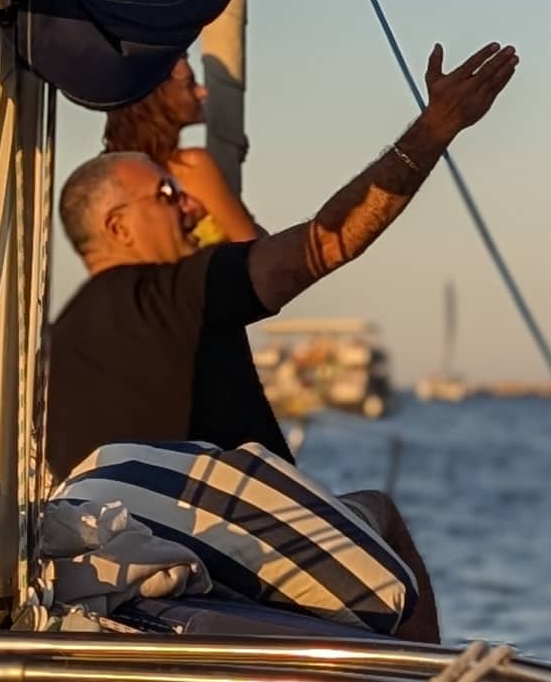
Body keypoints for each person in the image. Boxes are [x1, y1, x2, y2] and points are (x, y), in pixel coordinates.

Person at [48, 41, 518, 642]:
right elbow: (327, 244)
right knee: (379, 512)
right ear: (117, 226)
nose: (192, 205)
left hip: (113, 589)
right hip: (212, 560)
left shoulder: (55, 344)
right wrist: (435, 127)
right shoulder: (172, 291)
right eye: (168, 196)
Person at [103, 56, 261, 245]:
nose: (203, 92)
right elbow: (249, 244)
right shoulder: (190, 166)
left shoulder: (109, 175)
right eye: (189, 84)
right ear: (158, 96)